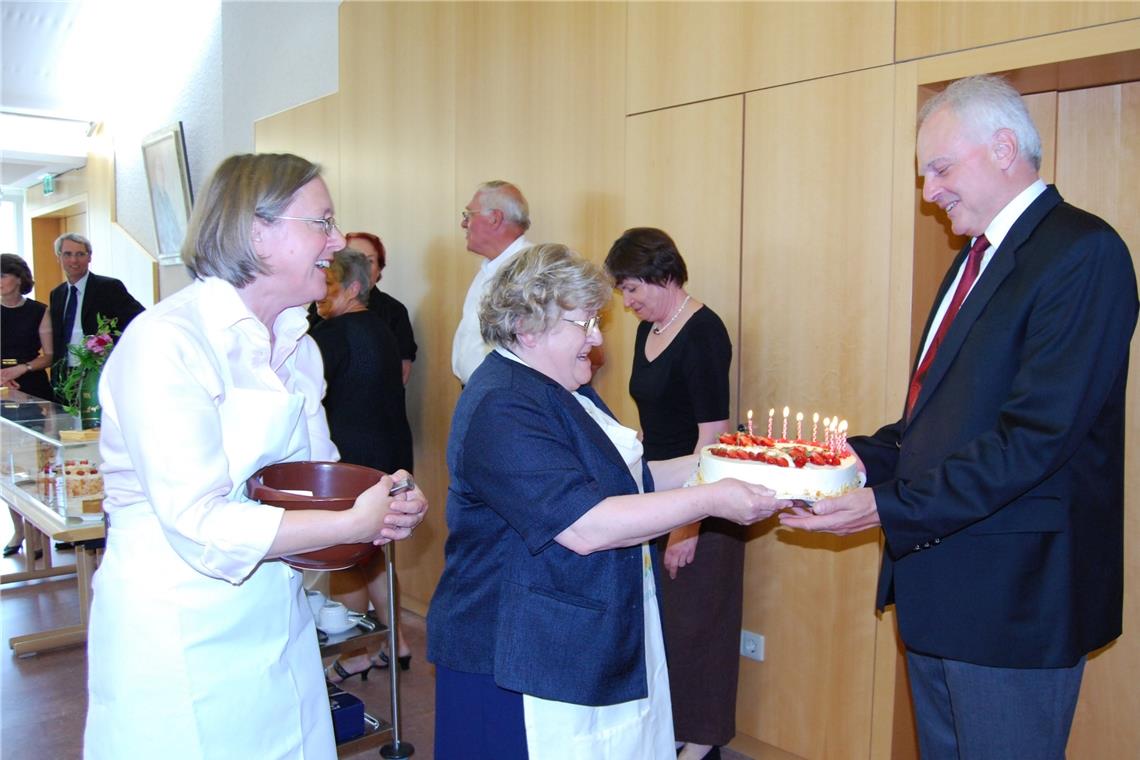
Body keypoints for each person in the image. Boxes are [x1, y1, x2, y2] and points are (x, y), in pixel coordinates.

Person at [780, 74, 1138, 759]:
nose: (929, 192)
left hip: (1014, 601)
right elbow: (939, 422)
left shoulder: (1082, 252)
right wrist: (855, 460)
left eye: (940, 168)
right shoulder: (973, 258)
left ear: (1004, 148)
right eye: (924, 175)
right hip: (940, 591)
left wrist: (884, 507)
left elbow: (1034, 440)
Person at [83, 153, 429, 759]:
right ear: (255, 231)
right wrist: (353, 522)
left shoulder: (298, 347)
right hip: (178, 626)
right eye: (321, 221)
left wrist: (386, 498)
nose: (339, 240)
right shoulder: (167, 341)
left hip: (273, 615)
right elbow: (197, 520)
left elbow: (316, 488)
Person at [427, 243, 791, 760]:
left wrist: (743, 465)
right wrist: (713, 498)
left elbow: (634, 478)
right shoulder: (501, 405)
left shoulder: (559, 387)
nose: (597, 339)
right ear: (529, 328)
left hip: (579, 634)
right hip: (517, 652)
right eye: (585, 323)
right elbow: (587, 526)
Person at [604, 227, 734, 760]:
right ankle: (674, 727)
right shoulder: (648, 329)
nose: (627, 302)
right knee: (665, 626)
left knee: (697, 625)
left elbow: (714, 439)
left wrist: (689, 523)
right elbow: (659, 416)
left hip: (701, 501)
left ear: (663, 275)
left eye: (633, 289)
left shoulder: (703, 332)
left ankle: (702, 740)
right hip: (658, 491)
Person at [309, 247, 415, 679]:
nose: (320, 293)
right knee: (374, 554)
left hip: (351, 460)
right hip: (386, 455)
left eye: (329, 284)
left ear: (353, 287)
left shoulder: (329, 335)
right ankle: (396, 640)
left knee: (347, 556)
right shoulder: (378, 326)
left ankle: (354, 653)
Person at [308, 231, 418, 385]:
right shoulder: (321, 306)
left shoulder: (392, 312)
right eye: (350, 257)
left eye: (368, 261)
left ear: (379, 269)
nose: (358, 267)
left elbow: (399, 376)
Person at [451, 180, 532, 385]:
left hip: (506, 397)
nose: (463, 223)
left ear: (494, 218)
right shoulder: (488, 268)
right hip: (480, 391)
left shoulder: (531, 270)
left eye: (468, 215)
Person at [1, 253, 54, 558]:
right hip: (2, 387)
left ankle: (40, 530)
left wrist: (20, 369)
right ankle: (19, 529)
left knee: (36, 461)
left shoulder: (38, 311)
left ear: (18, 278)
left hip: (31, 383)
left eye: (3, 276)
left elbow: (48, 354)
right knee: (8, 464)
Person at [48, 233, 145, 392]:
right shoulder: (57, 294)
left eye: (80, 254)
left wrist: (107, 345)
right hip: (66, 376)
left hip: (99, 371)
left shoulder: (108, 287)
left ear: (89, 257)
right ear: (59, 257)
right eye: (67, 254)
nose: (74, 260)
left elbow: (138, 320)